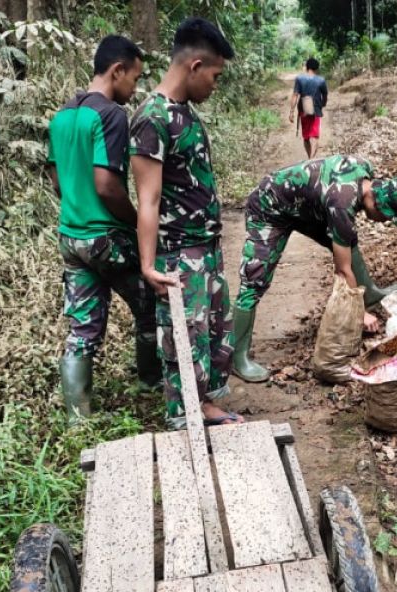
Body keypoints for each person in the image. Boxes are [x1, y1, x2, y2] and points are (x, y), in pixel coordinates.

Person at [129, 18, 242, 427]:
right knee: (184, 334)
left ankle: (206, 402)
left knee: (211, 331)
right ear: (195, 66)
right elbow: (149, 197)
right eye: (215, 75)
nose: (215, 84)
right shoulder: (152, 119)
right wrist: (147, 265)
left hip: (205, 247)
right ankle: (187, 413)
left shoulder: (184, 113)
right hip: (178, 251)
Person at [48, 35, 156, 426]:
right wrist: (138, 222)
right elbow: (107, 185)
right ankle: (150, 384)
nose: (135, 88)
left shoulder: (61, 116)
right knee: (149, 302)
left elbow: (58, 184)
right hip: (105, 238)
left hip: (70, 238)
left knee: (82, 327)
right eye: (135, 78)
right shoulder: (111, 115)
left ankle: (78, 418)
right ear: (117, 71)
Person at [231, 155, 397, 382]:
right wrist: (358, 313)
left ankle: (370, 293)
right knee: (255, 279)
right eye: (385, 216)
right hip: (269, 206)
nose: (383, 221)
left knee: (345, 239)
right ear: (375, 201)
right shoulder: (342, 203)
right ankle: (237, 357)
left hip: (306, 206)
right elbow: (342, 270)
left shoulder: (364, 170)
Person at [289, 58, 328, 159]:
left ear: (306, 67)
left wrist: (292, 112)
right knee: (314, 137)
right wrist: (322, 104)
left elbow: (295, 95)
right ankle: (312, 159)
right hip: (316, 111)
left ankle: (309, 158)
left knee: (306, 137)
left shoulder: (300, 79)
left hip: (304, 110)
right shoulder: (321, 80)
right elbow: (325, 95)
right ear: (317, 68)